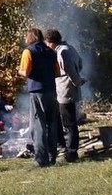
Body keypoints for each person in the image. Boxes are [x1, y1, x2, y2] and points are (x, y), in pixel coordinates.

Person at [18, 27, 61, 167]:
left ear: (29, 38)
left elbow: (25, 72)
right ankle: (51, 157)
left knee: (38, 126)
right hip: (51, 90)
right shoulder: (51, 51)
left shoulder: (28, 51)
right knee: (52, 124)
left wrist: (19, 71)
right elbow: (57, 73)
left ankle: (41, 160)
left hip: (37, 91)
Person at [45, 28, 84, 163]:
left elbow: (70, 70)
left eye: (47, 43)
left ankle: (72, 153)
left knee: (69, 123)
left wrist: (77, 81)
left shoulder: (62, 51)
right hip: (63, 90)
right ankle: (62, 146)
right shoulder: (70, 47)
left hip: (65, 90)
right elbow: (80, 63)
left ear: (51, 41)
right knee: (61, 120)